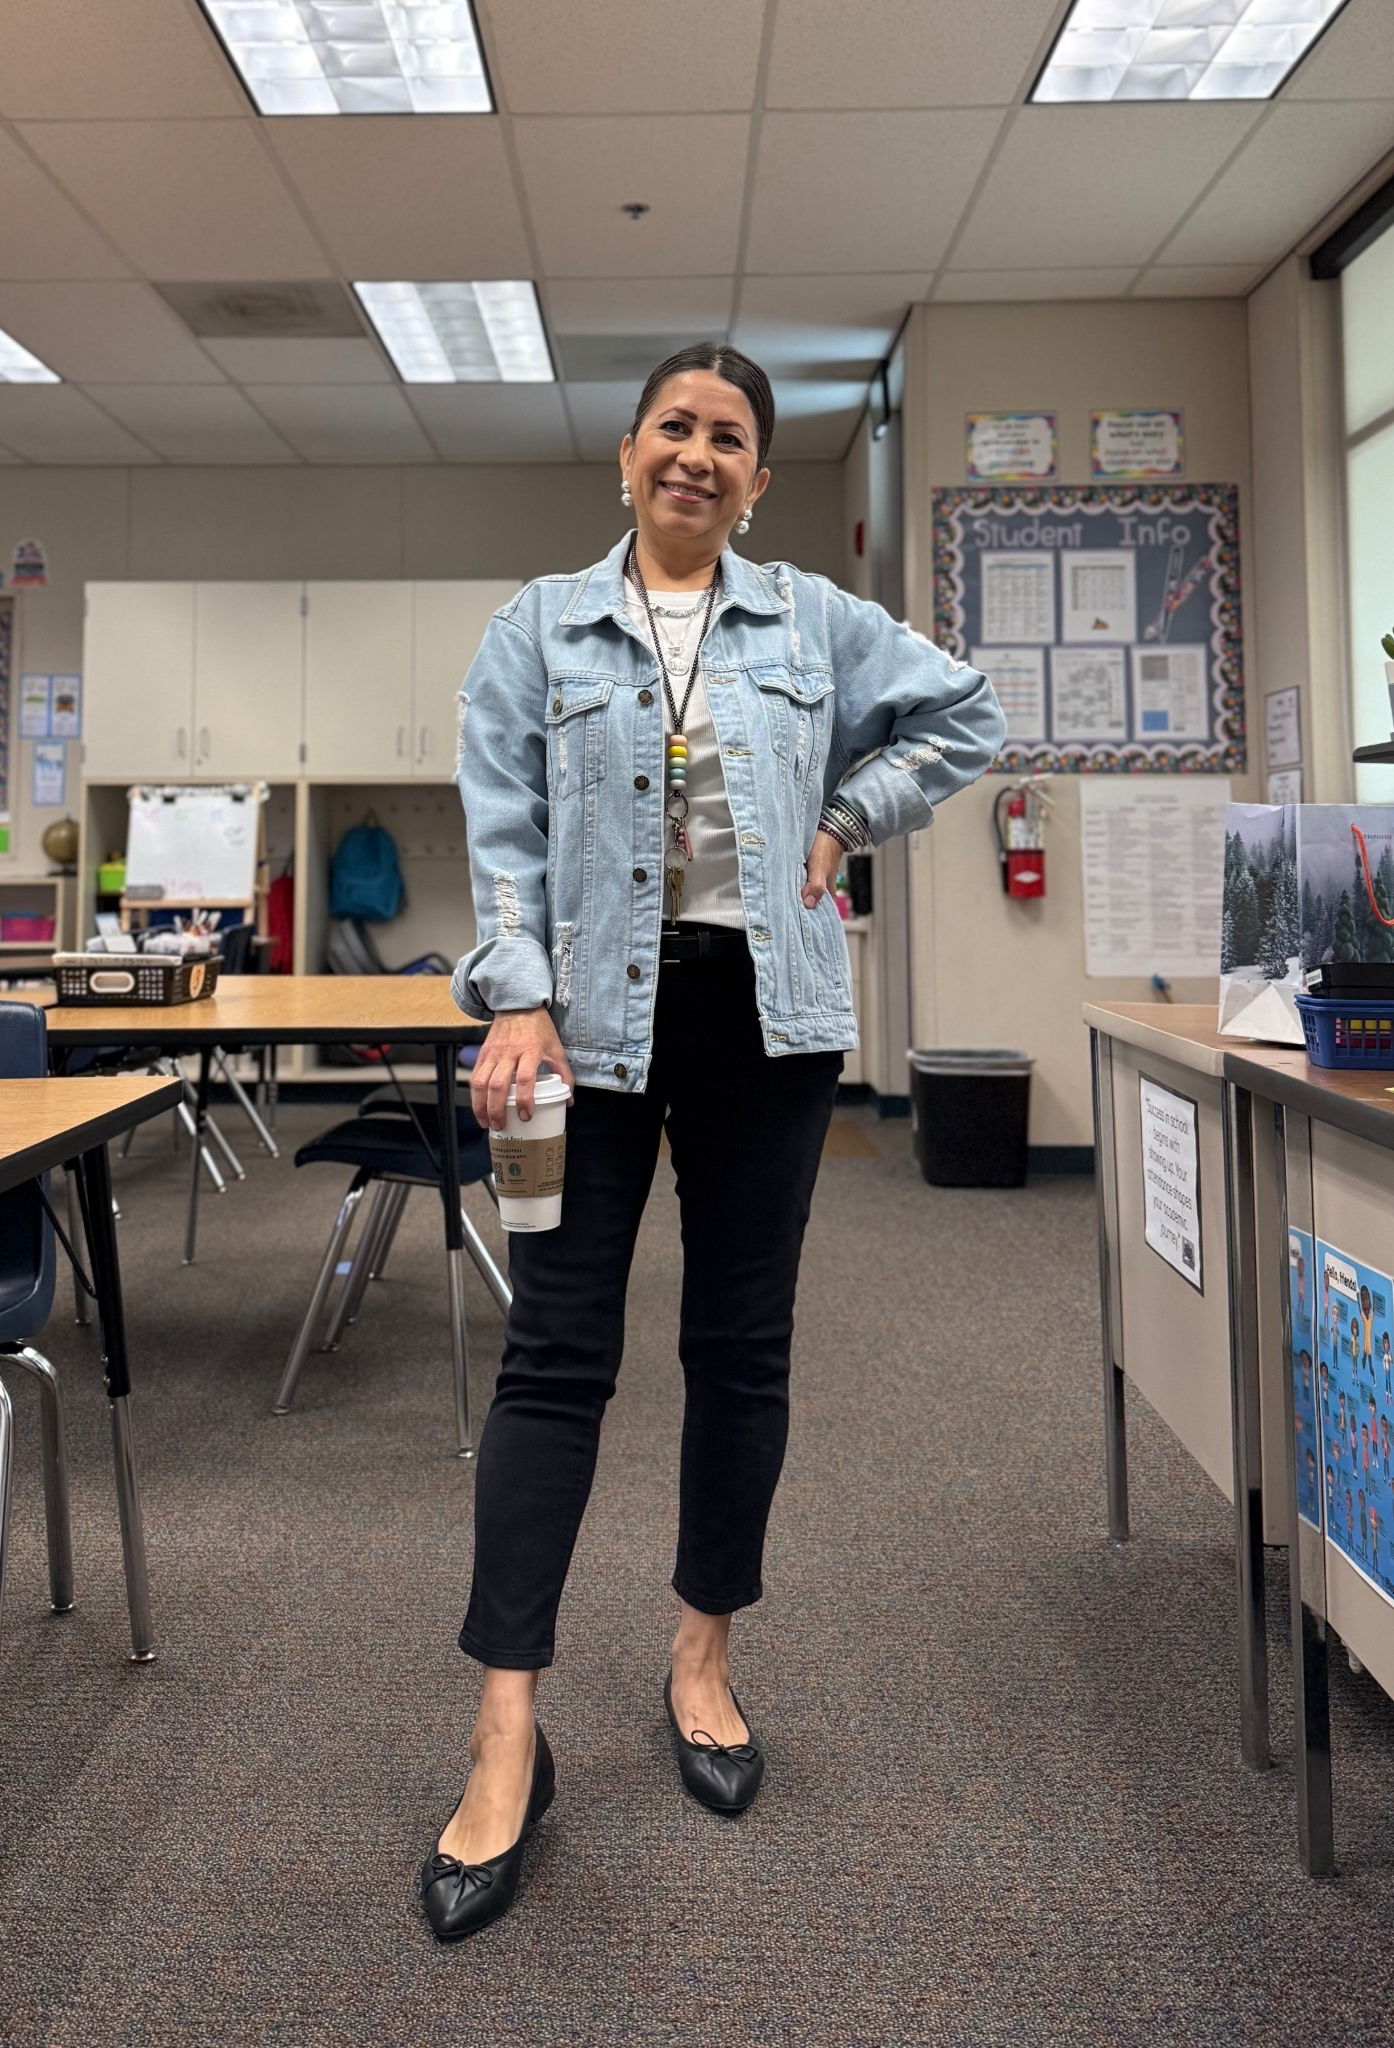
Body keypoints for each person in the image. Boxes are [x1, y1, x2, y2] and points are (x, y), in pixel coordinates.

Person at [422, 342, 1003, 1940]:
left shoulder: (812, 619)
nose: (696, 453)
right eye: (673, 426)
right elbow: (502, 827)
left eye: (728, 437)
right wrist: (518, 994)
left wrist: (839, 819)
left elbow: (967, 715)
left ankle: (702, 1658)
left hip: (770, 1023)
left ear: (756, 479)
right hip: (578, 1033)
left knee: (741, 1350)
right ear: (626, 456)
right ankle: (504, 1734)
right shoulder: (537, 627)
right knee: (555, 1358)